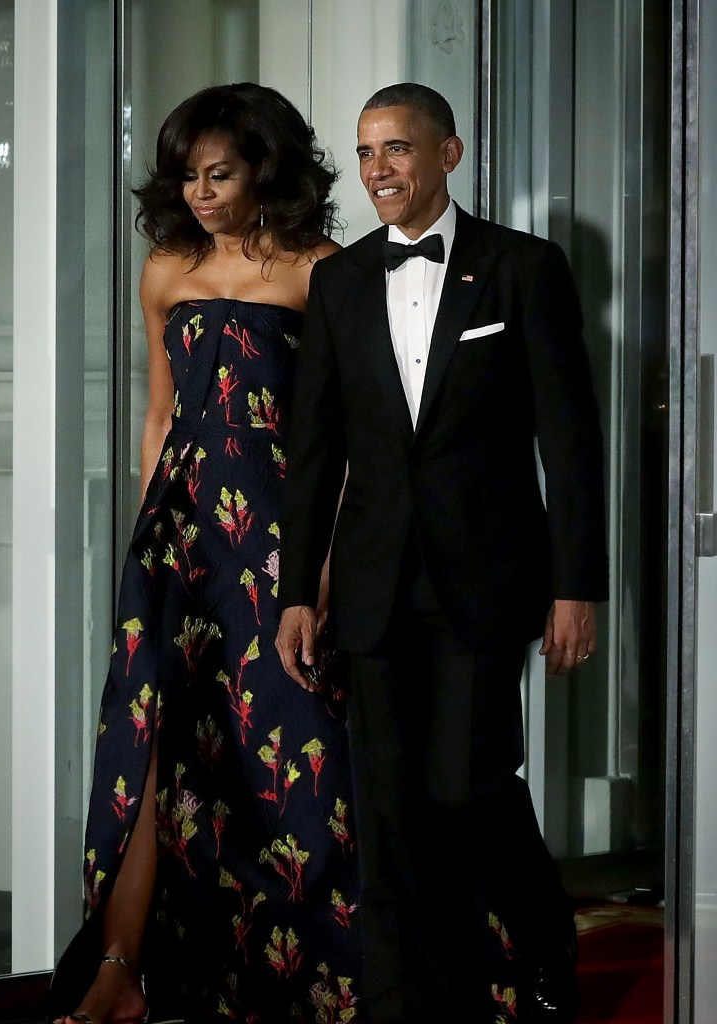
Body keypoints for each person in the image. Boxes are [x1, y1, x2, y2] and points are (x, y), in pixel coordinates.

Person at [275, 82, 609, 1023]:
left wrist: (577, 586)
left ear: (448, 154)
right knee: (389, 813)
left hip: (486, 579)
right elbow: (315, 452)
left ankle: (542, 934)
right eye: (366, 152)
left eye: (398, 149)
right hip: (373, 581)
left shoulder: (524, 268)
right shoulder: (339, 282)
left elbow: (570, 443)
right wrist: (298, 590)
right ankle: (411, 1005)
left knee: (466, 787)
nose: (378, 169)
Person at [47, 82, 361, 1024]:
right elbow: (160, 417)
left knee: (295, 750)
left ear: (265, 169)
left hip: (279, 540)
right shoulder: (166, 270)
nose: (200, 194)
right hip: (178, 541)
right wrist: (149, 541)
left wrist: (322, 568)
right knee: (153, 745)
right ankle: (118, 972)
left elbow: (347, 440)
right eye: (188, 177)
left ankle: (315, 982)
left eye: (219, 174)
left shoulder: (323, 271)